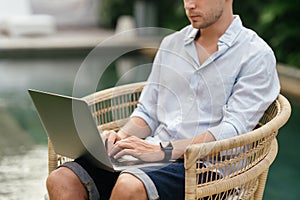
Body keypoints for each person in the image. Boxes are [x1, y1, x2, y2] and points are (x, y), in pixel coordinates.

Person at [46, 0, 280, 199]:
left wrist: (161, 152)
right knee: (62, 179)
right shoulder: (172, 45)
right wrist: (121, 138)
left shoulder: (255, 54)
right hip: (153, 155)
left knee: (130, 186)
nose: (190, 4)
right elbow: (147, 112)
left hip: (208, 168)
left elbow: (232, 130)